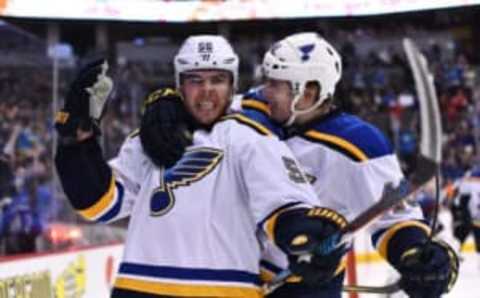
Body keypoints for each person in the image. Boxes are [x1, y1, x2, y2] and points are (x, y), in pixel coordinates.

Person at [54, 35, 347, 298]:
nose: (207, 91)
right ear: (179, 84)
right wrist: (78, 141)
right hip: (139, 288)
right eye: (195, 80)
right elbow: (98, 204)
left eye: (217, 79)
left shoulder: (252, 140)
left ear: (233, 86)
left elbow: (285, 205)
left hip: (222, 290)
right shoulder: (151, 139)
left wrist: (304, 232)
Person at [238, 32, 459, 297]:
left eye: (276, 84)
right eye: (267, 81)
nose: (266, 91)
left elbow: (395, 220)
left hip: (302, 287)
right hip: (231, 279)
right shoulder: (251, 111)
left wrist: (414, 255)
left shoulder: (359, 145)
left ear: (308, 92)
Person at [450, 168, 480, 266]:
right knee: (460, 235)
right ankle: (454, 254)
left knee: (462, 234)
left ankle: (455, 253)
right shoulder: (467, 184)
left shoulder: (465, 182)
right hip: (467, 214)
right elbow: (459, 200)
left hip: (471, 215)